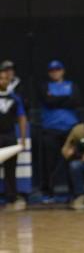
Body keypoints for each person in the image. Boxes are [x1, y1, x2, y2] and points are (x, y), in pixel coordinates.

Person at [39, 60, 81, 199]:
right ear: (49, 73)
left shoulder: (72, 85)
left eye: (57, 69)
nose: (55, 72)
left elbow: (75, 101)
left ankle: (75, 192)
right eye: (52, 70)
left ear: (62, 71)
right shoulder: (45, 86)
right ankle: (48, 192)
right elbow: (48, 101)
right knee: (49, 163)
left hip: (70, 130)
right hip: (51, 130)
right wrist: (65, 99)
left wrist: (56, 99)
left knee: (72, 161)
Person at [0, 69, 27, 210]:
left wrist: (22, 138)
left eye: (5, 79)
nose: (3, 81)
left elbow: (22, 118)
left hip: (9, 136)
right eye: (0, 78)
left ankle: (11, 197)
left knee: (10, 168)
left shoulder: (15, 98)